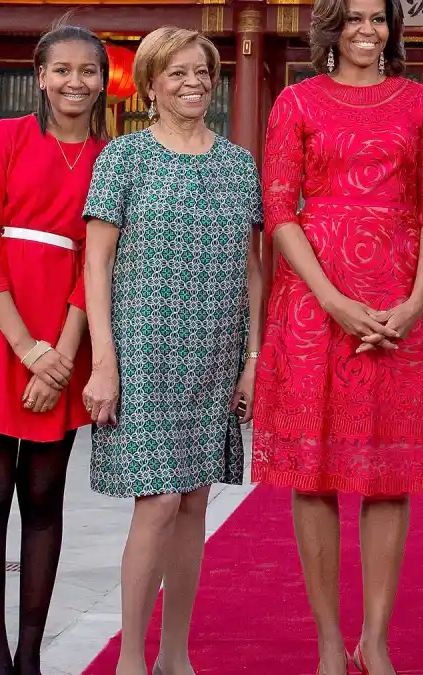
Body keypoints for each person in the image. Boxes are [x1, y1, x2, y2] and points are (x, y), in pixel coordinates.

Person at [251, 0, 423, 671]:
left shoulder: (421, 102)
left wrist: (418, 299)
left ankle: (377, 640)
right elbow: (279, 208)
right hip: (315, 305)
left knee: (389, 476)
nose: (368, 30)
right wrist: (331, 299)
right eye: (354, 18)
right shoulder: (296, 102)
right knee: (313, 475)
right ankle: (329, 645)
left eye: (378, 18)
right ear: (330, 27)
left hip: (398, 304)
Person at [80, 26, 265, 675]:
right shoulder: (123, 159)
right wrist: (104, 360)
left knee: (192, 501)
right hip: (143, 352)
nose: (193, 83)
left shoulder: (239, 164)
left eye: (202, 72)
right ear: (151, 85)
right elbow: (96, 264)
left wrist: (253, 361)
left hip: (214, 354)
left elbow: (253, 270)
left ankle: (175, 655)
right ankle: (131, 659)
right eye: (177, 73)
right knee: (158, 501)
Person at [0, 22, 108, 675]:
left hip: (65, 331)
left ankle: (31, 656)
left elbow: (98, 261)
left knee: (44, 500)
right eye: (61, 69)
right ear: (40, 76)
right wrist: (26, 348)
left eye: (88, 70)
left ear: (104, 81)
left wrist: (58, 358)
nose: (75, 82)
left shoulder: (110, 159)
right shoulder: (5, 136)